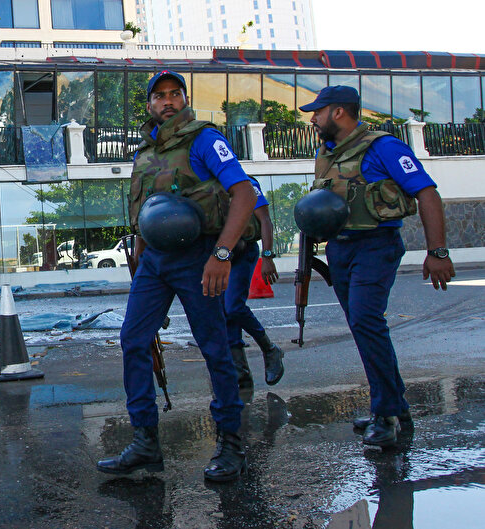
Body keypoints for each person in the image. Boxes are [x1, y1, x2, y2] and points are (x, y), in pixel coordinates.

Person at [96, 70, 258, 482]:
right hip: (154, 262)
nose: (167, 101)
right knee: (133, 340)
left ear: (184, 99)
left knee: (214, 347)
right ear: (149, 105)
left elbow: (244, 194)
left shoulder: (205, 139)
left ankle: (231, 443)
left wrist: (221, 254)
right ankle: (145, 442)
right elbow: (146, 217)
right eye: (159, 96)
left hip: (198, 256)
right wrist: (140, 268)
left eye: (174, 94)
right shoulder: (145, 153)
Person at [299, 86, 454, 447]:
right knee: (362, 327)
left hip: (376, 246)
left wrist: (438, 252)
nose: (313, 118)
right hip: (340, 249)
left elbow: (427, 193)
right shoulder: (327, 153)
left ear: (338, 112)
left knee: (367, 322)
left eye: (318, 112)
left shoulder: (383, 147)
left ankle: (385, 415)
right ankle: (395, 407)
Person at [225, 178, 285, 390]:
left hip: (244, 251)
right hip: (221, 255)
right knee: (225, 313)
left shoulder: (245, 183)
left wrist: (267, 257)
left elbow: (265, 220)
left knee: (233, 307)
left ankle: (269, 349)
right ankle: (240, 373)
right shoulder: (205, 185)